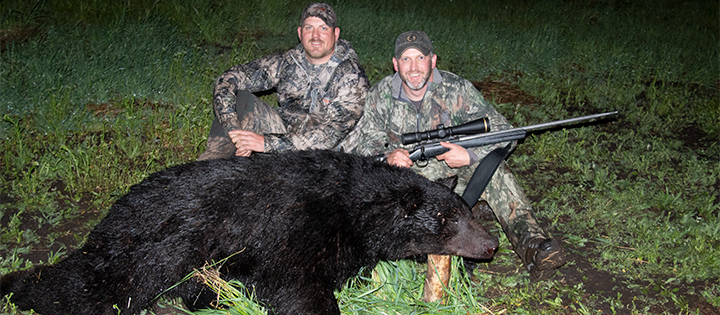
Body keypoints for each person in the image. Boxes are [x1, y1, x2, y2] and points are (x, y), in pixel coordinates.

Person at [338, 30, 567, 274]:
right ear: (395, 64)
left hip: (452, 172)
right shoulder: (379, 95)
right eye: (406, 59)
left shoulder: (457, 89)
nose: (414, 67)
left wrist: (470, 156)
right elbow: (364, 145)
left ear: (433, 61)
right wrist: (389, 157)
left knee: (495, 169)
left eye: (421, 58)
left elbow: (505, 132)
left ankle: (533, 243)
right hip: (410, 184)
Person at [198, 3, 369, 160]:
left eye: (323, 28)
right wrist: (233, 129)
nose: (315, 36)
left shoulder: (352, 76)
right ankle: (207, 169)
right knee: (243, 101)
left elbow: (330, 135)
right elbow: (229, 78)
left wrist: (266, 143)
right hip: (285, 134)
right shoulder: (288, 62)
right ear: (300, 33)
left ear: (336, 34)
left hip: (329, 155)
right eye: (309, 28)